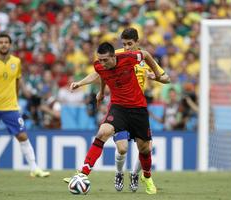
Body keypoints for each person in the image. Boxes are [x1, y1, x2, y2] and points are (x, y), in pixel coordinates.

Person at [64, 27, 170, 192]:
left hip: (138, 107)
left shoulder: (130, 57)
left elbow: (153, 61)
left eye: (130, 44)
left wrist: (156, 75)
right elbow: (101, 73)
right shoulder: (106, 61)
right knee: (104, 134)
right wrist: (87, 86)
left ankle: (146, 176)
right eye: (124, 44)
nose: (127, 47)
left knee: (145, 148)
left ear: (136, 42)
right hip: (118, 106)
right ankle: (83, 173)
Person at [0, 33, 50, 178]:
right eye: (0, 42)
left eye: (6, 42)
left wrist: (18, 96)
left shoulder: (16, 62)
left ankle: (34, 168)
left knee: (22, 135)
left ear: (10, 45)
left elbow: (17, 81)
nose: (3, 44)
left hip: (10, 107)